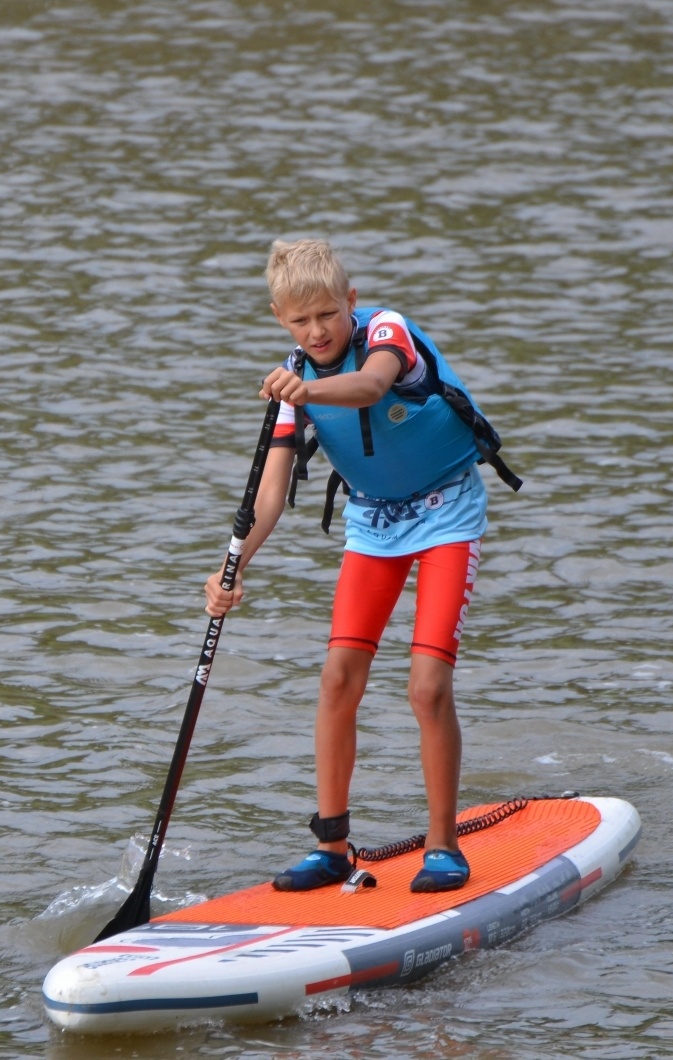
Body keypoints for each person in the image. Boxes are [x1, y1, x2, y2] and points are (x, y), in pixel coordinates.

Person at [205, 238, 510, 894]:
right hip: (373, 522)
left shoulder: (385, 331)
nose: (315, 332)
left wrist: (307, 393)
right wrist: (232, 568)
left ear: (349, 301)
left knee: (426, 687)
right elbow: (268, 497)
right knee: (338, 679)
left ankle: (443, 846)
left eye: (326, 315)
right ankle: (333, 847)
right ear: (278, 318)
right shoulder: (293, 379)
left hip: (447, 512)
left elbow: (372, 385)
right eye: (299, 321)